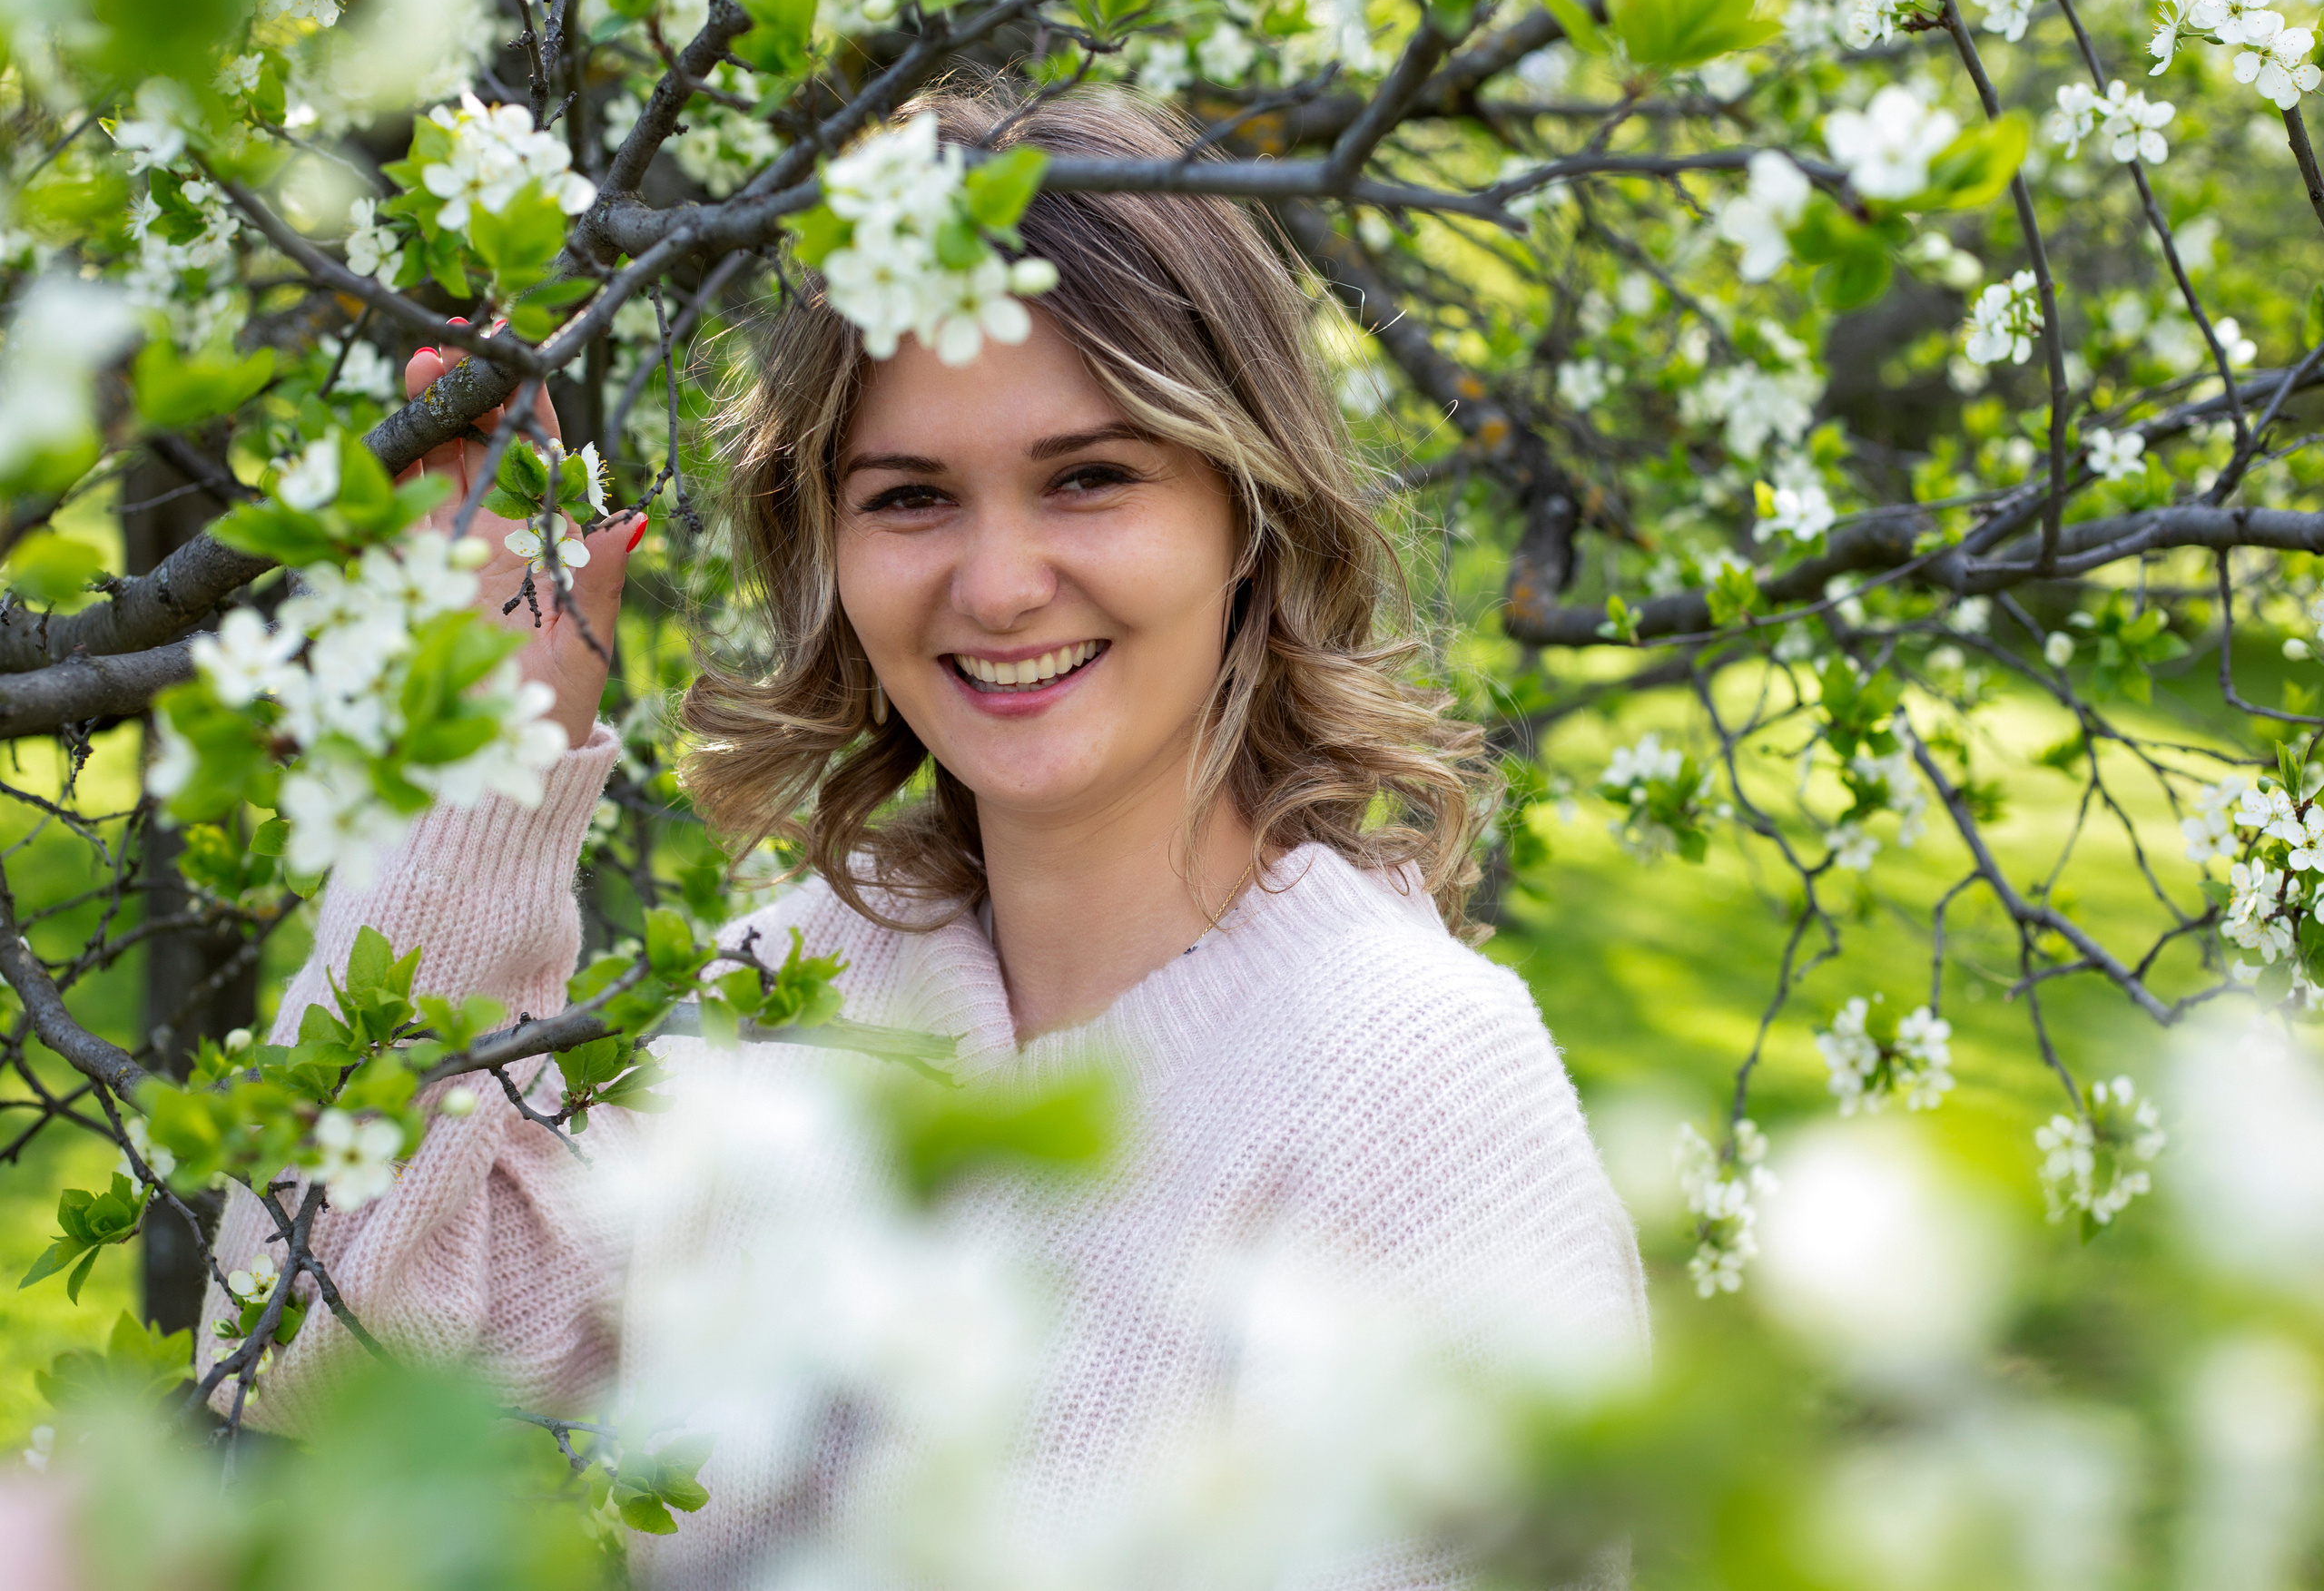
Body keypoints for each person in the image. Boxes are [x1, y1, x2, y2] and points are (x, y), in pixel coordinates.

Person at [202, 85, 1647, 1587]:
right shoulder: (792, 1001)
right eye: (911, 497)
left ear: (1250, 505)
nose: (999, 583)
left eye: (1089, 476)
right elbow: (311, 1345)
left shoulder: (1416, 1092)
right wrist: (487, 742)